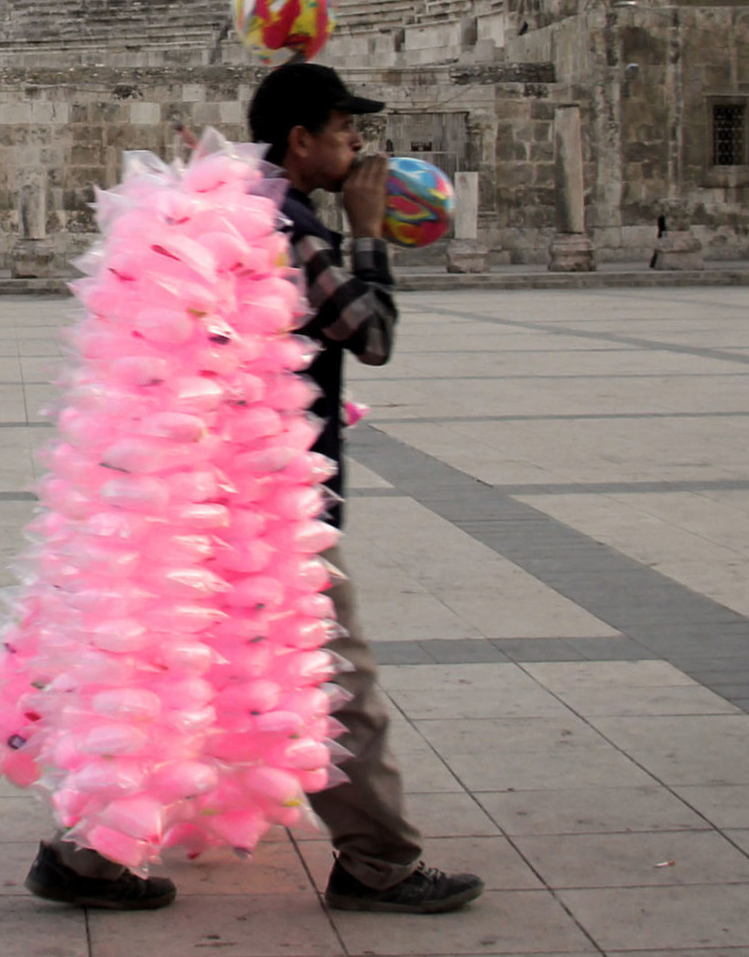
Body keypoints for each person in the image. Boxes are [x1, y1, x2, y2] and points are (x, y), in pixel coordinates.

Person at [25, 61, 485, 918]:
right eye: (348, 129)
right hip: (268, 513)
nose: (360, 144)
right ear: (302, 141)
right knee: (337, 680)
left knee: (171, 670)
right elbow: (369, 332)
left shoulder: (233, 212)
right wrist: (371, 231)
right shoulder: (295, 226)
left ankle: (87, 854)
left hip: (208, 499)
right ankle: (378, 861)